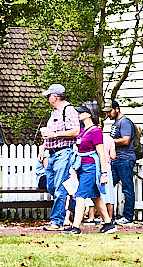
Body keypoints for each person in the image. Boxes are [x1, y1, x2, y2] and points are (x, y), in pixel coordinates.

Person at [62, 102, 117, 234]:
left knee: (80, 195)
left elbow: (101, 154)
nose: (78, 114)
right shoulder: (82, 131)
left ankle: (75, 227)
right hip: (82, 167)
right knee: (95, 196)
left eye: (81, 112)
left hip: (90, 168)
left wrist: (103, 173)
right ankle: (109, 224)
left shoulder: (96, 131)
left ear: (89, 114)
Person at [39, 84, 80, 231]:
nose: (48, 98)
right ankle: (73, 208)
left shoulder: (69, 110)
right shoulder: (54, 113)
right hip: (51, 153)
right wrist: (43, 147)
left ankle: (57, 221)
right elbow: (49, 133)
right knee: (51, 185)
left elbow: (76, 131)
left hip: (63, 153)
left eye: (49, 96)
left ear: (55, 97)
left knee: (60, 187)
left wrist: (55, 134)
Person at [107, 99, 136, 225]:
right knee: (107, 186)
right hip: (116, 160)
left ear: (117, 109)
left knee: (127, 188)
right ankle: (107, 216)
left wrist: (110, 141)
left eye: (110, 111)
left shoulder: (124, 123)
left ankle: (128, 217)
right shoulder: (116, 123)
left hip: (125, 159)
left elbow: (126, 140)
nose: (108, 114)